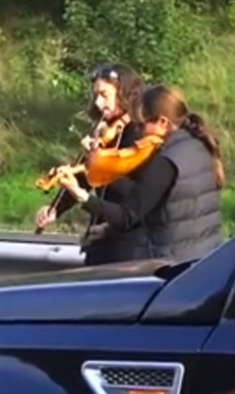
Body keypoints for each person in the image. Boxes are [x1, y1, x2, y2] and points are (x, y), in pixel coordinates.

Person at [55, 84, 224, 261]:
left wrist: (80, 194)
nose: (138, 132)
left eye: (141, 125)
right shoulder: (197, 145)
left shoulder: (165, 163)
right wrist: (108, 229)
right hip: (205, 257)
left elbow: (126, 216)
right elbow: (173, 210)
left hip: (173, 265)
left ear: (162, 122)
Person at [34, 62, 148, 265]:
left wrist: (99, 162)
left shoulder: (140, 136)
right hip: (100, 239)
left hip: (129, 245)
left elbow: (131, 191)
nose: (98, 103)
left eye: (105, 95)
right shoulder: (105, 131)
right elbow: (85, 178)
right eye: (95, 95)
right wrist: (55, 209)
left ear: (125, 94)